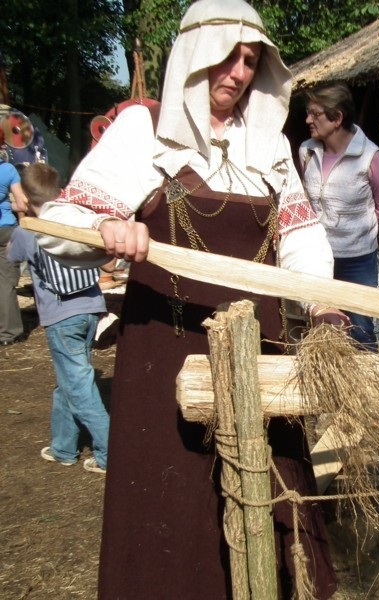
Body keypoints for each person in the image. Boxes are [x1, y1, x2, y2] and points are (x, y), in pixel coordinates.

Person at [35, 1, 346, 597]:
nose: (236, 72)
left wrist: (323, 304)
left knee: (273, 490)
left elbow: (303, 237)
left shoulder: (271, 146)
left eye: (250, 61)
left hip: (264, 353)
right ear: (192, 57)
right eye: (224, 56)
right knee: (172, 506)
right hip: (167, 356)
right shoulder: (144, 131)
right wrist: (108, 230)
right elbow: (60, 220)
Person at [7, 162, 112, 473]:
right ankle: (64, 447)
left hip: (61, 318)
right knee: (69, 382)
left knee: (80, 389)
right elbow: (106, 266)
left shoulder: (29, 230)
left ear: (25, 198)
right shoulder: (74, 223)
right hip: (91, 309)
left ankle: (109, 454)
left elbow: (13, 255)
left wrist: (21, 217)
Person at [299, 81, 379, 351]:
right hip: (318, 258)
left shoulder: (370, 157)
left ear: (337, 118)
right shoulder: (307, 151)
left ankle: (367, 389)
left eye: (314, 114)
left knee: (360, 331)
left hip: (357, 261)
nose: (308, 119)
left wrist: (357, 234)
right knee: (323, 330)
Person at [0, 155, 26, 345]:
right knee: (5, 282)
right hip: (5, 231)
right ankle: (8, 333)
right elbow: (22, 203)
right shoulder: (8, 170)